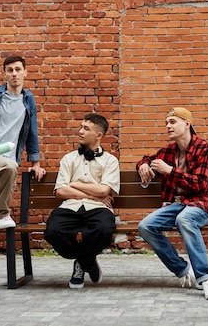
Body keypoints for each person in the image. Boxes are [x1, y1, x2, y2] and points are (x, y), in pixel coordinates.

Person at [0, 55, 47, 287]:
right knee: (9, 171)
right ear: (4, 74)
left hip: (7, 163)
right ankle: (3, 213)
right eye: (10, 70)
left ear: (25, 73)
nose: (14, 74)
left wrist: (35, 163)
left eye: (18, 70)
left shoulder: (28, 99)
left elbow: (31, 131)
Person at [136, 107, 208, 300]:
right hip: (178, 206)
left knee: (185, 219)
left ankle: (207, 278)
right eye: (166, 123)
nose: (168, 126)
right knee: (145, 226)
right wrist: (143, 164)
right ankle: (183, 269)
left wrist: (169, 171)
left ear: (187, 124)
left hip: (202, 205)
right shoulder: (168, 151)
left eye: (173, 122)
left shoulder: (205, 148)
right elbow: (147, 159)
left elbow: (201, 184)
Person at [44, 113, 120, 289]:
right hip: (70, 206)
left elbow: (104, 190)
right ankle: (88, 260)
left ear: (99, 135)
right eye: (81, 127)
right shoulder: (69, 158)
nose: (80, 131)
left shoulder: (110, 161)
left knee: (104, 229)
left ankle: (81, 262)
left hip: (98, 208)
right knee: (53, 231)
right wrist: (92, 194)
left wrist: (76, 184)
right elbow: (61, 191)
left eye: (86, 129)